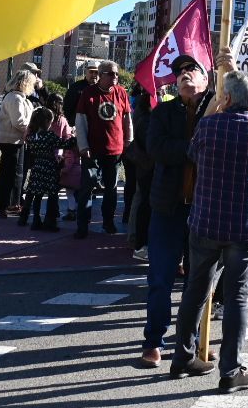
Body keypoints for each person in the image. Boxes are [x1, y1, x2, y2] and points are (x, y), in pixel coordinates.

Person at [168, 70, 248, 393]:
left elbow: (191, 156)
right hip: (244, 225)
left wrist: (214, 108)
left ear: (227, 98)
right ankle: (230, 369)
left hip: (205, 221)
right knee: (236, 297)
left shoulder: (208, 127)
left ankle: (182, 356)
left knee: (196, 291)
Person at [140, 55, 208, 368]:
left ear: (206, 80)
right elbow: (157, 149)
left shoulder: (215, 111)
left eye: (191, 70)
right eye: (179, 72)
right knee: (160, 278)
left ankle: (190, 343)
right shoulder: (163, 112)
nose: (183, 75)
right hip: (167, 208)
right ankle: (154, 341)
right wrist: (193, 147)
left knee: (199, 282)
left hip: (204, 210)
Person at [73, 59, 132, 237]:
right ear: (100, 75)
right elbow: (80, 121)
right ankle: (82, 225)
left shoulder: (121, 93)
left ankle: (108, 222)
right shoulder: (88, 93)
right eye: (111, 73)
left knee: (111, 189)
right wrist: (83, 146)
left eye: (116, 74)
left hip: (115, 151)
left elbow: (127, 118)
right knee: (87, 188)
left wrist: (128, 140)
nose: (115, 77)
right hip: (92, 150)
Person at [20, 107, 72, 229]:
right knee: (52, 194)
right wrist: (74, 138)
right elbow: (64, 144)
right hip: (49, 167)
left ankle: (33, 219)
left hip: (37, 167)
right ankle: (50, 221)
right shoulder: (50, 136)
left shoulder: (32, 137)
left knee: (35, 194)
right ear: (47, 122)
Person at [0, 68, 37, 218]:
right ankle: (6, 204)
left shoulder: (21, 98)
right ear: (24, 83)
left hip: (18, 140)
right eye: (31, 83)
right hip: (11, 140)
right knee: (10, 173)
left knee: (16, 173)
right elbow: (18, 121)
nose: (33, 86)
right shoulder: (15, 98)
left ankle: (12, 203)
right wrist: (32, 128)